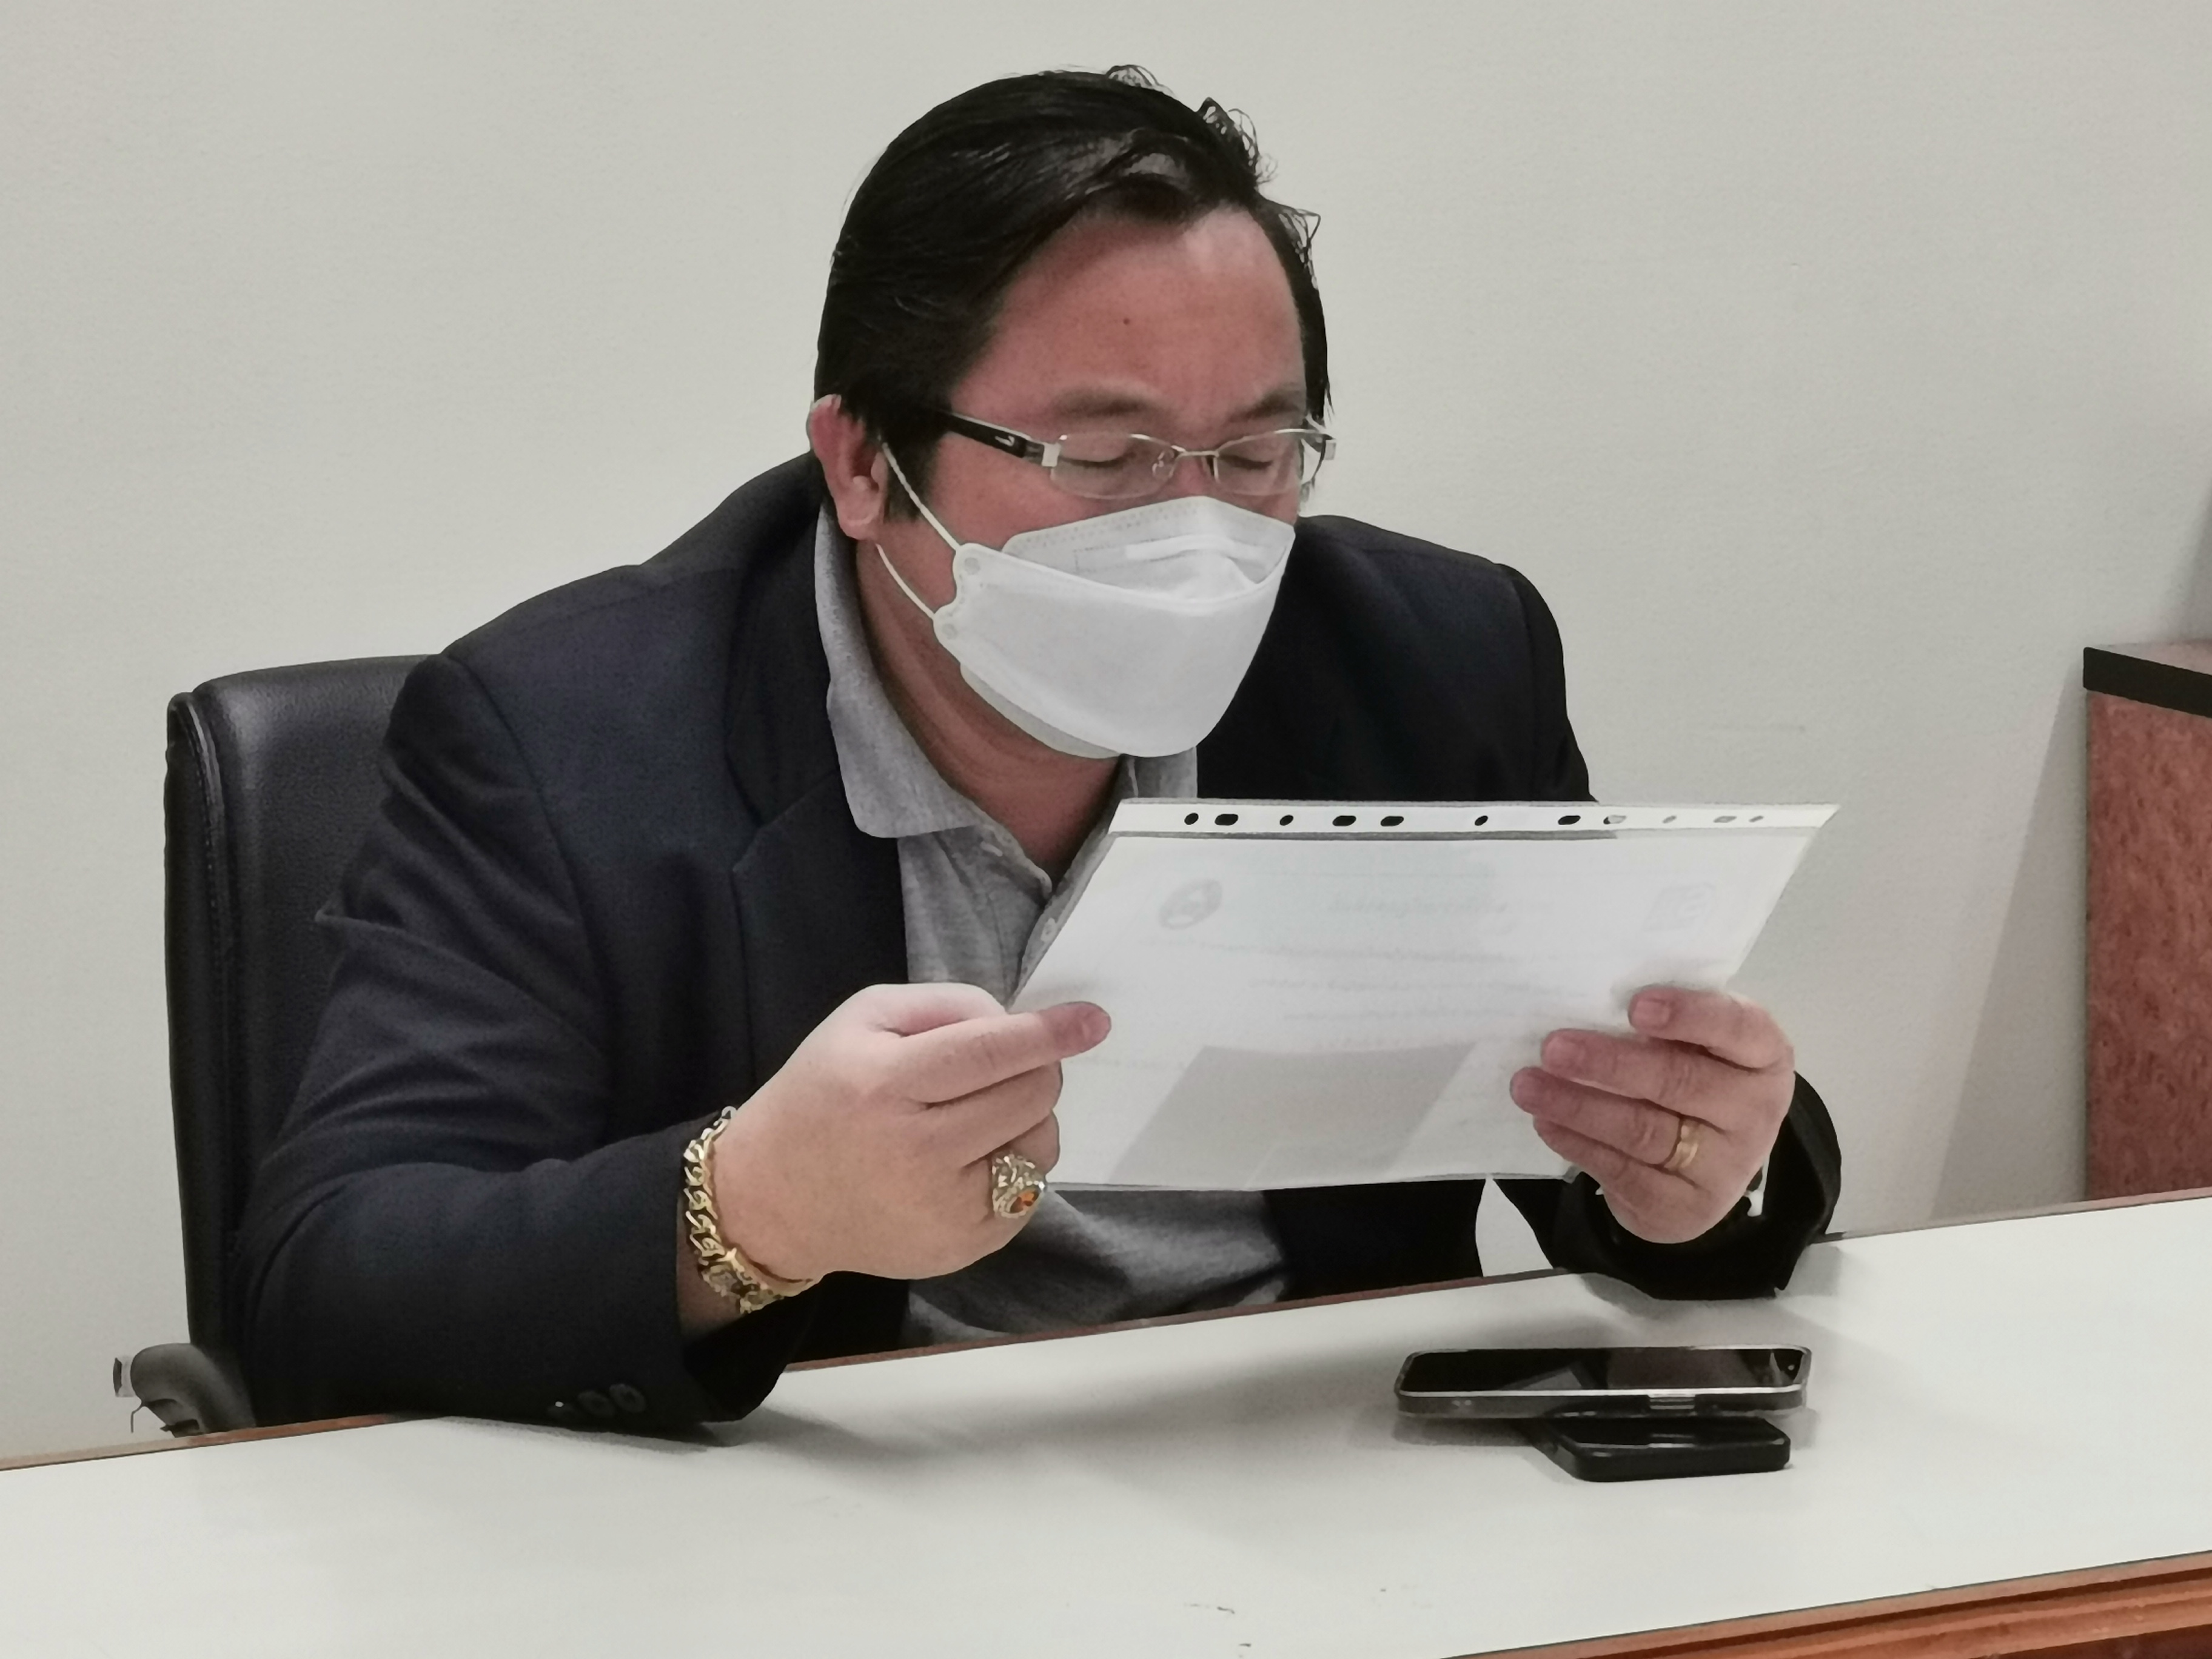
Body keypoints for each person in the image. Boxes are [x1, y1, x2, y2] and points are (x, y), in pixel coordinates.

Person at [235, 67, 1840, 1432]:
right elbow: (327, 1283)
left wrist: (1697, 1169)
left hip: (1324, 1492)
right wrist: (751, 1209)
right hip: (836, 1531)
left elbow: (1617, 1145)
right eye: (1103, 455)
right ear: (863, 463)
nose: (1195, 530)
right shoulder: (563, 734)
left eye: (1257, 454)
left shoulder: (1433, 662)